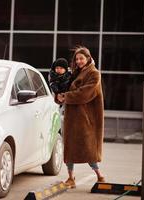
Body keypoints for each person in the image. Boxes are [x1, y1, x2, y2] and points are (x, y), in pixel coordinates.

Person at [56, 46, 105, 189]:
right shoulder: (74, 73)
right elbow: (65, 88)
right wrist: (58, 95)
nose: (78, 61)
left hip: (86, 118)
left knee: (89, 149)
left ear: (88, 58)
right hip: (72, 117)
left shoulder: (94, 74)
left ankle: (100, 176)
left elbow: (85, 93)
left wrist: (66, 96)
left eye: (81, 58)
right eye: (77, 59)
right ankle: (71, 178)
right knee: (69, 148)